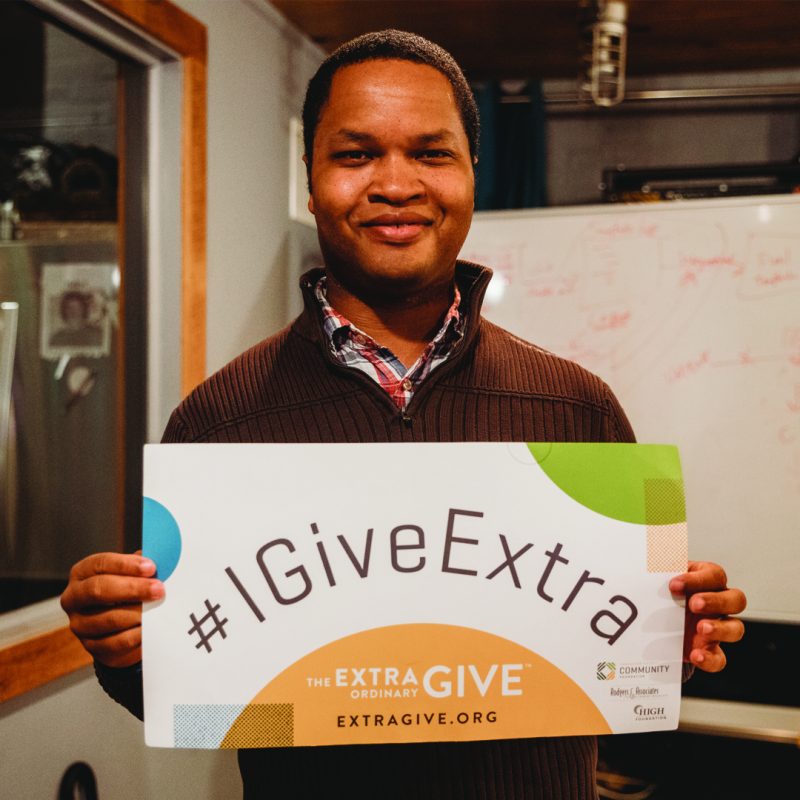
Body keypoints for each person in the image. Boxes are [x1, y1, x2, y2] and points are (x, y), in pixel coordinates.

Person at [61, 30, 747, 799]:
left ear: (471, 173)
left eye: (431, 153)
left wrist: (678, 633)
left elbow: (621, 668)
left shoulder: (577, 406)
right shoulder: (217, 423)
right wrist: (121, 645)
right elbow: (177, 691)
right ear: (311, 176)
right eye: (356, 155)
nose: (396, 184)